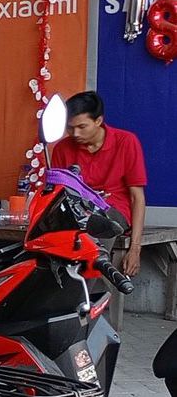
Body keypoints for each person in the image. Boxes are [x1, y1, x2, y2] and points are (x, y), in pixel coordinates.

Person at [51, 90, 148, 275]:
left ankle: (83, 289)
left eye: (82, 126)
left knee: (97, 227)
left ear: (98, 121)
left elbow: (137, 197)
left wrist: (136, 248)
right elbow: (57, 193)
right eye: (70, 128)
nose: (75, 133)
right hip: (75, 212)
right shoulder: (62, 148)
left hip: (112, 211)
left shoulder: (126, 141)